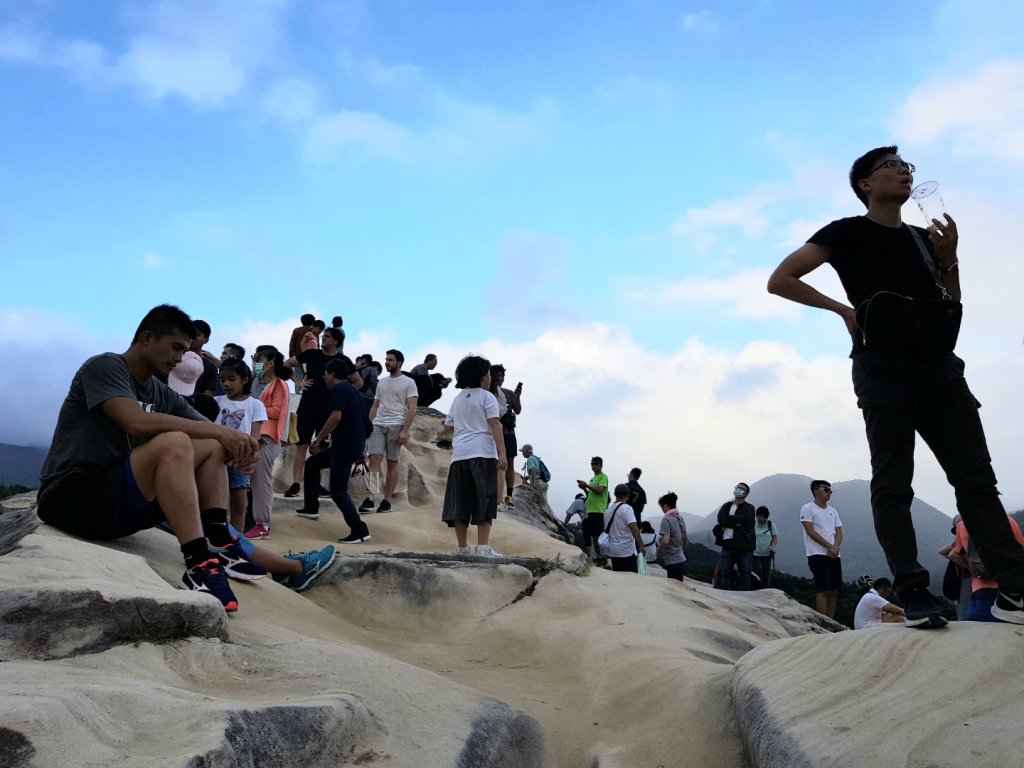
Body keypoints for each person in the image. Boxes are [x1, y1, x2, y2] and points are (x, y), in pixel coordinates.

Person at [768, 145, 1024, 627]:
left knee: (976, 481)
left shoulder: (926, 239)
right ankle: (913, 592)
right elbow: (781, 279)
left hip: (940, 367)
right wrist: (844, 310)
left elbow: (952, 305)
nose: (904, 173)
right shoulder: (843, 233)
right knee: (893, 482)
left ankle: (1016, 587)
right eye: (892, 167)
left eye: (908, 167)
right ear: (866, 183)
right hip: (881, 366)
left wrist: (949, 260)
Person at [36, 305, 336, 613]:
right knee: (177, 442)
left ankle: (220, 543)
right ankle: (199, 564)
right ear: (147, 339)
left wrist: (240, 450)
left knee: (210, 444)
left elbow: (210, 432)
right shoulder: (105, 367)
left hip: (116, 507)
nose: (181, 358)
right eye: (176, 348)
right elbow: (134, 421)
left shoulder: (158, 390)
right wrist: (221, 434)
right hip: (71, 497)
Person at [295, 358, 372, 544]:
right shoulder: (353, 390)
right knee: (312, 464)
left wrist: (318, 439)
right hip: (350, 446)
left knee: (338, 492)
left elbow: (335, 417)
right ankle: (311, 508)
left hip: (344, 448)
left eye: (325, 375)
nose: (324, 378)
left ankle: (360, 530)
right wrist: (361, 448)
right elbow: (365, 423)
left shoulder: (338, 390)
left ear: (331, 374)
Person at [441, 354, 507, 557]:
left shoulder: (458, 398)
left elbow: (448, 427)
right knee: (484, 498)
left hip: (459, 455)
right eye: (488, 374)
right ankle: (483, 547)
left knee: (459, 501)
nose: (490, 378)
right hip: (482, 453)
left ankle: (462, 548)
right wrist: (502, 454)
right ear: (482, 377)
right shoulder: (487, 397)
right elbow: (494, 424)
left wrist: (465, 425)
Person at [283, 327, 358, 498]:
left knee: (322, 448)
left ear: (336, 342)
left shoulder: (343, 360)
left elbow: (358, 382)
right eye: (323, 336)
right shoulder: (312, 354)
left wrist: (342, 394)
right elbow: (287, 364)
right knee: (301, 445)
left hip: (329, 409)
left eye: (328, 337)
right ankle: (296, 483)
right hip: (308, 405)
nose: (323, 339)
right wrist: (299, 381)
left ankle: (318, 485)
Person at [361, 349, 418, 514]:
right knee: (374, 459)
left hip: (396, 424)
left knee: (392, 462)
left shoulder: (409, 382)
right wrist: (369, 424)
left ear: (399, 362)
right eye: (386, 359)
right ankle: (371, 497)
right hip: (378, 424)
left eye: (390, 360)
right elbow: (375, 405)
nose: (387, 362)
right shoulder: (382, 382)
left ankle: (386, 500)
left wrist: (405, 430)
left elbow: (412, 408)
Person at [214, 358, 267, 533]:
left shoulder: (255, 405)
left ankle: (237, 542)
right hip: (215, 460)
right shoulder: (216, 402)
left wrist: (248, 456)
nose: (226, 384)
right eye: (222, 380)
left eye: (231, 379)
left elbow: (255, 436)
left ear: (244, 379)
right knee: (216, 505)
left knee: (239, 505)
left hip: (239, 462)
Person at [244, 348, 292, 540]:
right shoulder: (257, 382)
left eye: (258, 359)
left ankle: (262, 524)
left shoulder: (279, 384)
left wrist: (253, 407)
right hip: (256, 434)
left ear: (270, 362)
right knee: (254, 479)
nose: (255, 362)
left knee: (260, 480)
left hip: (267, 436)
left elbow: (277, 411)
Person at [946, 514, 1024, 622]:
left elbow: (953, 554)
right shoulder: (1008, 520)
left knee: (980, 629)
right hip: (1009, 589)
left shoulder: (962, 526)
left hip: (980, 588)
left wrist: (972, 568)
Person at [800, 480, 844, 619]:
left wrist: (835, 547)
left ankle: (831, 621)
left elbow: (839, 532)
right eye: (826, 489)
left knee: (834, 590)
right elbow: (810, 531)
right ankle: (823, 621)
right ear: (815, 491)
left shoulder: (833, 510)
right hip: (817, 553)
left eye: (830, 490)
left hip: (835, 554)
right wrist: (829, 546)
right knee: (823, 589)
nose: (829, 492)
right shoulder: (808, 508)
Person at [488, 365, 521, 509]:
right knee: (496, 463)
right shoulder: (488, 393)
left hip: (509, 432)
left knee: (509, 463)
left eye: (502, 376)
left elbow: (518, 410)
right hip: (495, 432)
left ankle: (508, 497)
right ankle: (495, 495)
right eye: (498, 376)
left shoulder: (507, 393)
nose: (500, 379)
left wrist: (518, 397)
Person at [714, 482, 755, 590]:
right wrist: (734, 524)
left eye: (741, 488)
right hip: (727, 542)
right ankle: (721, 591)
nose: (738, 489)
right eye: (737, 487)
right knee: (723, 569)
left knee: (745, 571)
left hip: (745, 544)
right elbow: (720, 519)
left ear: (746, 494)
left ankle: (743, 594)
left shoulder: (749, 507)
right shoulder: (727, 505)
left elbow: (747, 519)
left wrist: (729, 518)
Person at [602, 484, 645, 573]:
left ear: (615, 494)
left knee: (619, 577)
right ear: (628, 495)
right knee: (631, 579)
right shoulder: (627, 508)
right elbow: (633, 527)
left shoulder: (608, 510)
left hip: (613, 551)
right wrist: (641, 545)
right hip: (626, 551)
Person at [577, 457, 610, 562]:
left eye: (596, 464)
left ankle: (605, 557)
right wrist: (585, 489)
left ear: (601, 465)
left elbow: (600, 490)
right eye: (592, 464)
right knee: (594, 536)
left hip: (599, 510)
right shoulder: (592, 479)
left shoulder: (603, 477)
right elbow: (591, 494)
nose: (594, 466)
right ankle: (599, 557)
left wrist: (587, 485)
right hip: (591, 511)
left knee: (601, 536)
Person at [656, 492, 688, 582]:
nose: (662, 510)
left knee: (674, 586)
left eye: (662, 507)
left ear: (665, 506)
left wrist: (658, 552)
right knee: (679, 585)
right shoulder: (679, 517)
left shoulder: (666, 519)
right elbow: (686, 539)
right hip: (681, 558)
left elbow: (665, 541)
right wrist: (680, 550)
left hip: (672, 560)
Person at [752, 506, 778, 589]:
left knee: (766, 575)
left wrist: (773, 546)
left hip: (767, 554)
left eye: (763, 516)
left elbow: (775, 538)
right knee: (758, 572)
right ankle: (756, 589)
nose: (761, 518)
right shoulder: (753, 524)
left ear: (766, 517)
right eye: (759, 516)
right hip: (754, 554)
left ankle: (765, 590)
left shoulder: (770, 525)